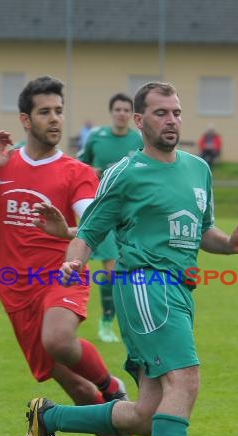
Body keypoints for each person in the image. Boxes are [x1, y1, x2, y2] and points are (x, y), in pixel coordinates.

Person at [17, 81, 238, 436]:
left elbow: (203, 233)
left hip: (180, 291)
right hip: (145, 285)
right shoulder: (125, 171)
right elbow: (89, 231)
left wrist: (231, 244)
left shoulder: (198, 168)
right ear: (141, 121)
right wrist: (74, 261)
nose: (172, 121)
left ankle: (49, 419)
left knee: (147, 414)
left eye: (177, 112)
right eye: (162, 113)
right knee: (185, 382)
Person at [0, 75, 152, 436]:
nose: (55, 119)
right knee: (77, 389)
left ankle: (112, 386)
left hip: (62, 274)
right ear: (25, 119)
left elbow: (96, 226)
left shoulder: (77, 172)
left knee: (59, 341)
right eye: (45, 112)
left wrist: (66, 233)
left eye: (59, 111)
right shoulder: (2, 165)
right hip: (16, 294)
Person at [77, 93, 142, 343]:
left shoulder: (138, 140)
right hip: (100, 211)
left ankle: (113, 321)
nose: (122, 113)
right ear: (111, 112)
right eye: (118, 109)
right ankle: (105, 323)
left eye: (126, 109)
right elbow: (78, 166)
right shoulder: (97, 137)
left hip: (127, 214)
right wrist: (89, 171)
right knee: (110, 268)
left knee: (120, 272)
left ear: (132, 114)